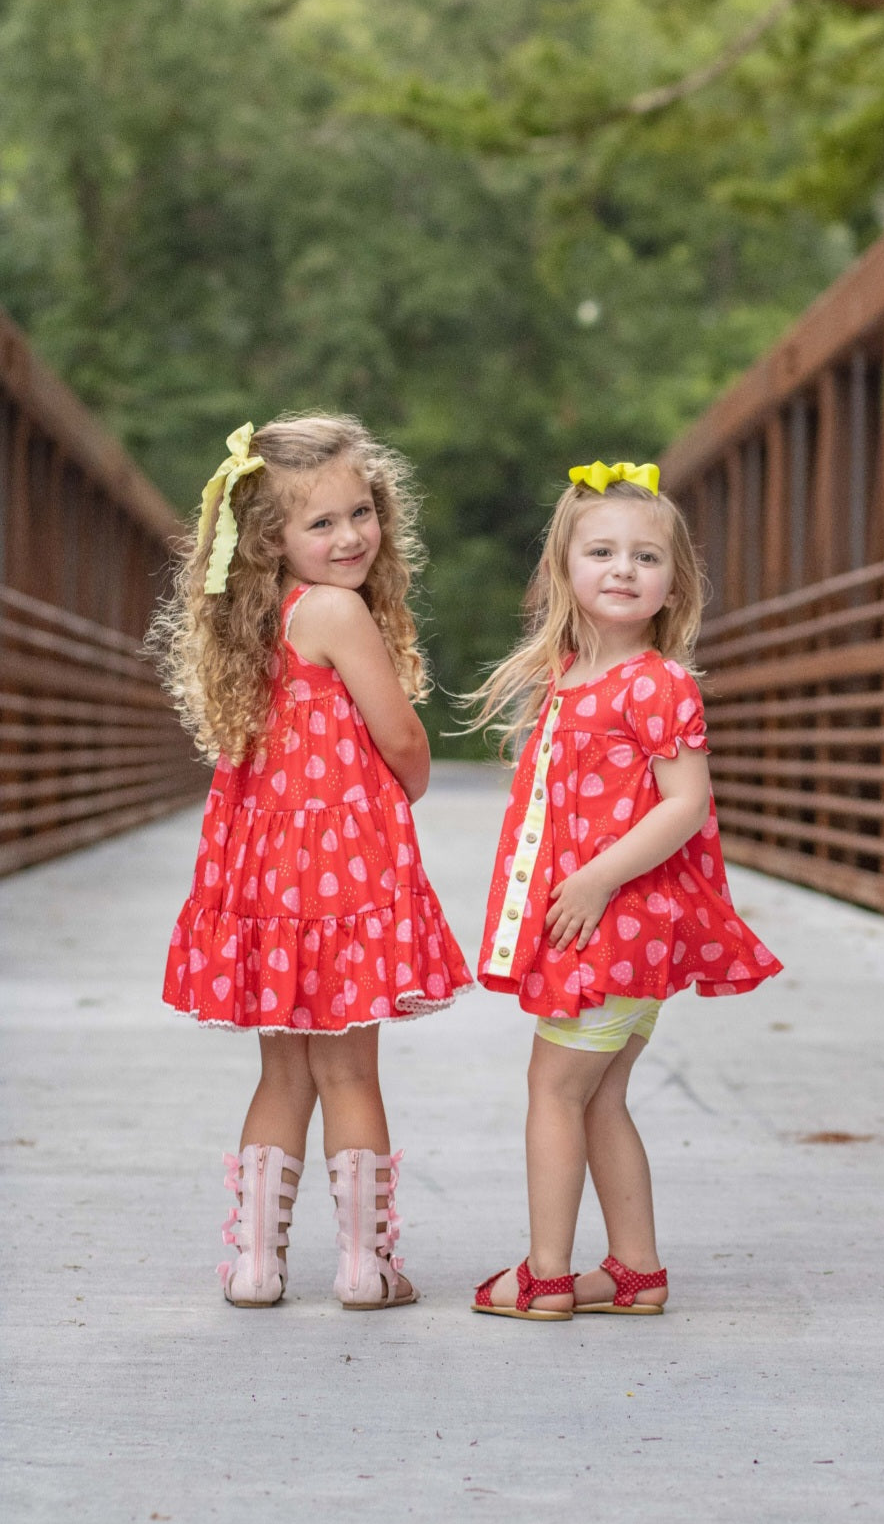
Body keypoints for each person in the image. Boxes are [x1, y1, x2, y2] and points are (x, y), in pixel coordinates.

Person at [152, 417, 472, 1310]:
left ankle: (256, 1266)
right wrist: (404, 784)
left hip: (266, 878)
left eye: (360, 512)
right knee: (350, 1072)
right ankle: (365, 1268)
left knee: (281, 1072)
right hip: (342, 879)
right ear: (272, 540)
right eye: (321, 523)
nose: (351, 536)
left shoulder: (264, 617)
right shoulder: (336, 611)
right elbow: (401, 736)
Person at [466, 460, 781, 1320]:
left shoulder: (655, 679)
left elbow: (686, 803)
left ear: (674, 580)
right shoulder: (570, 676)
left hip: (618, 923)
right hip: (606, 928)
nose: (622, 569)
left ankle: (547, 1276)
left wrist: (599, 877)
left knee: (554, 1091)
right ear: (562, 567)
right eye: (601, 550)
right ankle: (636, 1272)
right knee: (600, 1095)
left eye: (646, 557)